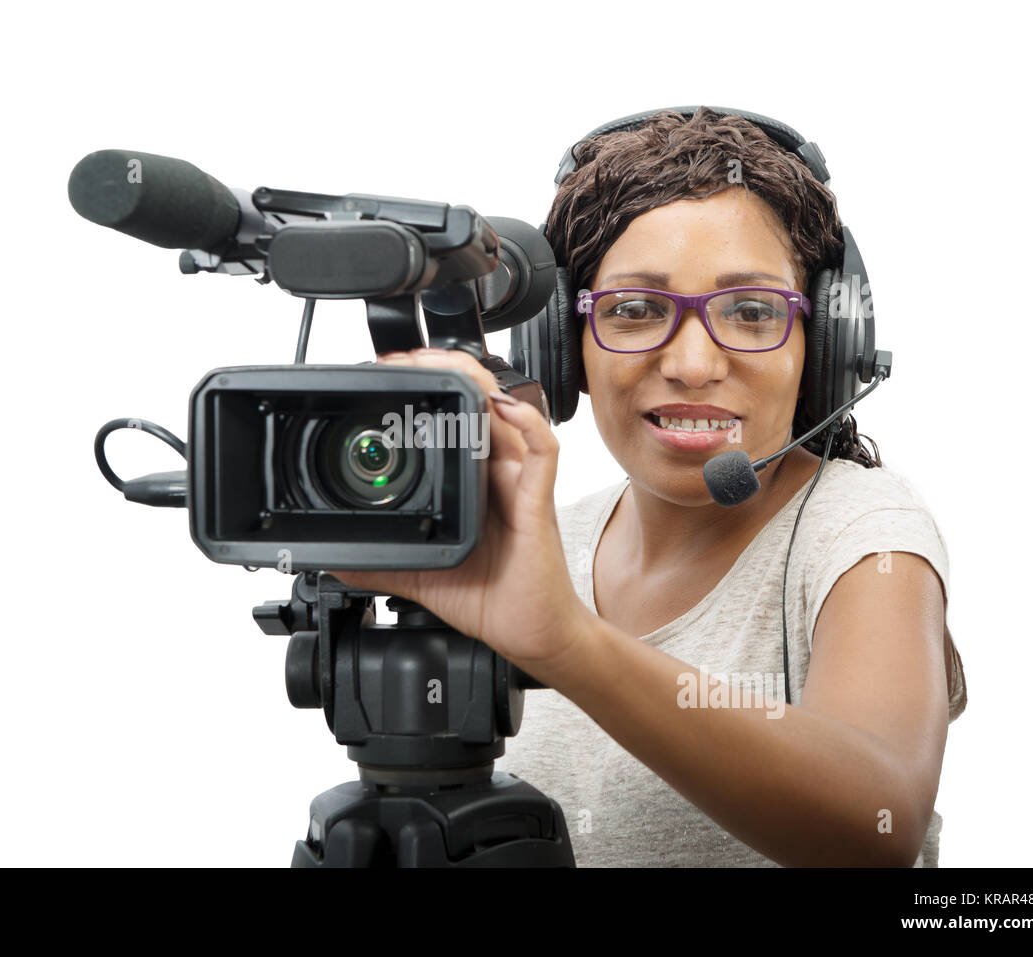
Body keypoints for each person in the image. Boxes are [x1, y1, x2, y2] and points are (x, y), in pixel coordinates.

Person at [333, 107, 966, 867]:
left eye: (752, 310)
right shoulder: (534, 542)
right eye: (634, 310)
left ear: (824, 347)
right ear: (562, 349)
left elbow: (879, 821)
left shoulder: (862, 529)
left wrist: (568, 641)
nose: (694, 364)